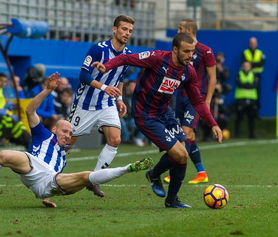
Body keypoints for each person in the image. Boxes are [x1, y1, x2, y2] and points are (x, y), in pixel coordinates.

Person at [0, 76, 154, 204]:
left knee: (86, 177)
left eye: (70, 133)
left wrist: (46, 197)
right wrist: (48, 90)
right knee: (4, 155)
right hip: (31, 165)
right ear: (54, 129)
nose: (67, 135)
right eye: (64, 131)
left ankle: (130, 168)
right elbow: (29, 110)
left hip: (48, 182)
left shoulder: (63, 158)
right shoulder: (42, 134)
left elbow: (44, 183)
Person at [92, 32, 223, 208]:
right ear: (175, 49)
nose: (191, 56)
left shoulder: (188, 71)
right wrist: (106, 67)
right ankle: (156, 177)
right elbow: (125, 59)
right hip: (145, 114)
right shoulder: (156, 58)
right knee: (180, 154)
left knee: (182, 154)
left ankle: (169, 196)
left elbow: (197, 100)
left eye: (192, 51)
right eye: (186, 51)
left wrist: (213, 123)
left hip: (164, 112)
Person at [66, 15, 135, 197]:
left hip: (106, 103)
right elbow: (83, 76)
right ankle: (48, 175)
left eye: (130, 30)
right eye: (124, 29)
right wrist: (104, 87)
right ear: (114, 29)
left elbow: (120, 78)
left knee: (115, 139)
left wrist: (119, 99)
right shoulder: (98, 49)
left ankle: (94, 180)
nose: (127, 33)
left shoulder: (128, 54)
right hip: (85, 104)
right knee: (65, 145)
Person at [164, 18, 217, 185]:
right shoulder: (178, 50)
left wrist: (207, 101)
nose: (177, 31)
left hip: (195, 98)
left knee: (186, 133)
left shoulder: (205, 51)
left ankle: (176, 172)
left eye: (180, 28)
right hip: (179, 97)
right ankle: (201, 172)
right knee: (186, 135)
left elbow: (213, 78)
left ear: (188, 31)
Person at [0, 73, 31, 149]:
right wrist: (2, 110)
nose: (3, 83)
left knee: (17, 124)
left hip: (0, 113)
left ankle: (29, 142)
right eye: (1, 81)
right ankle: (28, 142)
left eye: (5, 81)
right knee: (11, 122)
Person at [234, 61, 259, 139]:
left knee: (251, 117)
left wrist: (244, 85)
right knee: (239, 117)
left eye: (247, 65)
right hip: (241, 98)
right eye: (244, 65)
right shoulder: (239, 74)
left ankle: (252, 134)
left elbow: (255, 85)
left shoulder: (254, 74)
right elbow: (239, 84)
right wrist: (249, 84)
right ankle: (237, 134)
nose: (246, 67)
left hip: (252, 98)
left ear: (250, 66)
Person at [120, 80, 146, 146]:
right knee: (121, 120)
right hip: (124, 118)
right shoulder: (121, 97)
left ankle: (139, 139)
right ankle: (127, 139)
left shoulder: (137, 98)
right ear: (127, 87)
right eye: (132, 86)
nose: (134, 88)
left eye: (135, 86)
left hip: (134, 120)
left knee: (147, 121)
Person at [242, 37, 265, 109]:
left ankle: (256, 111)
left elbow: (262, 63)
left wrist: (251, 64)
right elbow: (244, 62)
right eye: (251, 43)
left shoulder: (260, 52)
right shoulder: (245, 52)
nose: (253, 44)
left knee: (257, 93)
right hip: (247, 75)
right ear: (249, 44)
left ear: (257, 44)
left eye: (254, 43)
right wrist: (254, 64)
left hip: (257, 75)